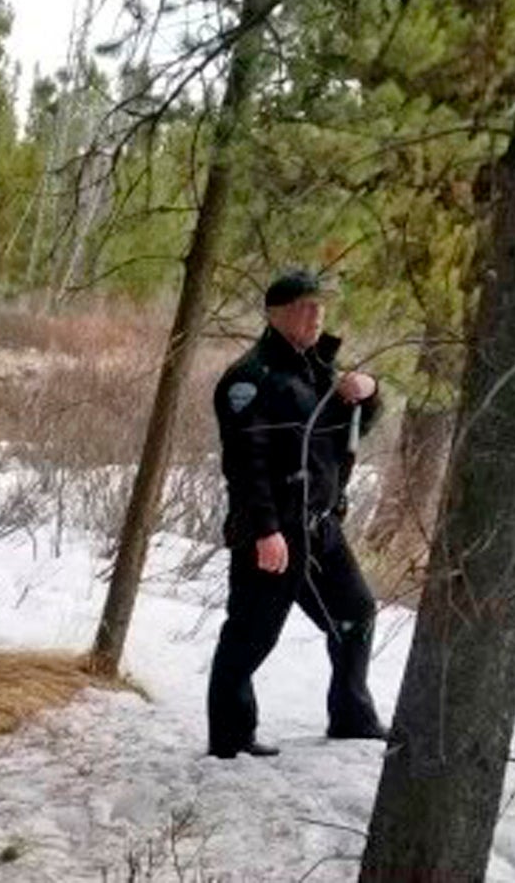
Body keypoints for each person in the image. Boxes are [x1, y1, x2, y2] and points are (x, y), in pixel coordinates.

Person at [207, 269, 389, 758]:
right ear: (276, 314)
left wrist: (369, 394)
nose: (317, 315)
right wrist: (266, 530)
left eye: (320, 306)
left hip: (321, 528)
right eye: (306, 306)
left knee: (355, 614)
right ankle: (230, 738)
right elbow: (247, 466)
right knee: (251, 635)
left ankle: (352, 717)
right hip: (273, 531)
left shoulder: (319, 371)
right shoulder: (249, 379)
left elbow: (351, 430)